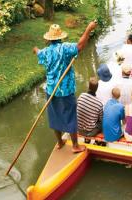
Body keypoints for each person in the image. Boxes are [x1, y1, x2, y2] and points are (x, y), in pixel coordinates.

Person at [33, 22, 97, 153]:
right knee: (70, 116)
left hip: (51, 90)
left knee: (54, 116)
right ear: (60, 37)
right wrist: (88, 29)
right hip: (66, 90)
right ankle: (75, 145)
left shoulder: (45, 52)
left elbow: (39, 53)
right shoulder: (65, 48)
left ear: (49, 39)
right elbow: (80, 46)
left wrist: (35, 50)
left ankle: (60, 142)